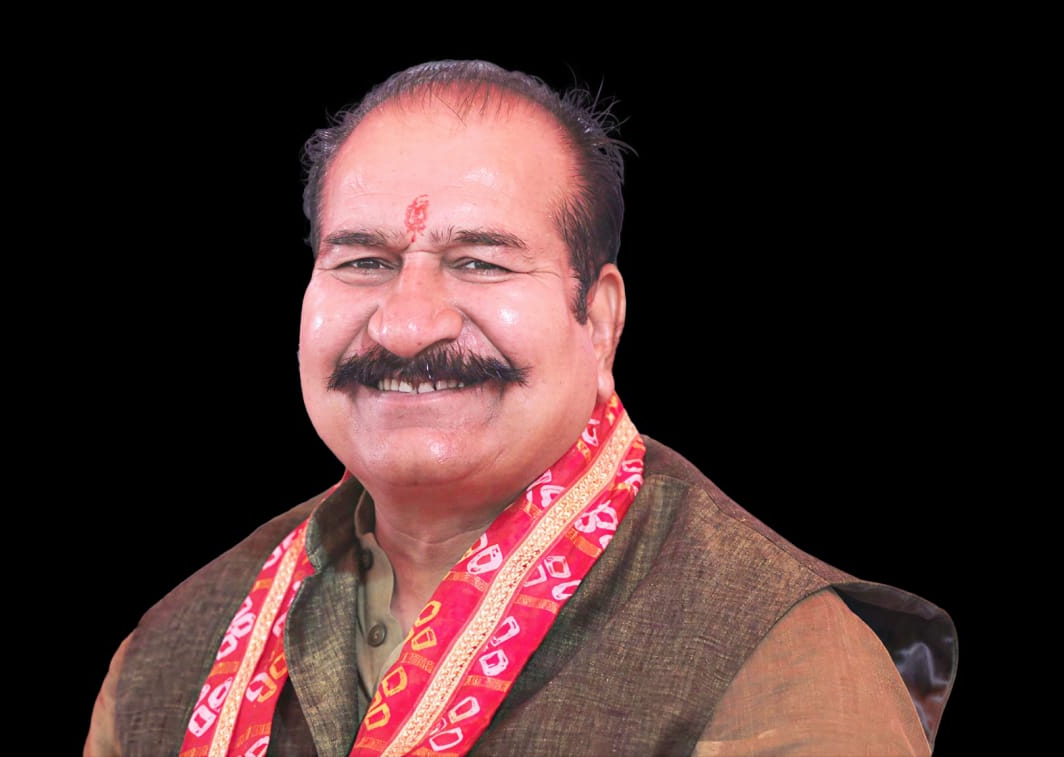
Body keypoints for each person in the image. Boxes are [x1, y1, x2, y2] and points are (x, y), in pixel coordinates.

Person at [84, 59, 958, 756]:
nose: (406, 323)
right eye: (362, 262)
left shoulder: (771, 654)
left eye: (481, 262)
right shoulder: (170, 655)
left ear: (599, 321)